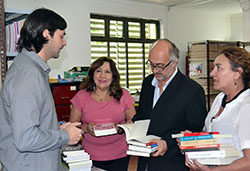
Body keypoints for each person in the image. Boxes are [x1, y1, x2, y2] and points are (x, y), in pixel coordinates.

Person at [0, 8, 83, 171]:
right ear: (46, 34)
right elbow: (25, 138)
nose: (64, 43)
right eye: (61, 36)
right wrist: (65, 136)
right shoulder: (28, 74)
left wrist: (54, 129)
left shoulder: (32, 70)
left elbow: (27, 125)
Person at [132, 39, 207, 171]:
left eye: (160, 66)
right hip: (145, 161)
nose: (155, 70)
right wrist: (130, 127)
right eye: (151, 64)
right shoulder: (148, 83)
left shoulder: (192, 90)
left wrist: (168, 143)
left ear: (174, 62)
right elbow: (143, 116)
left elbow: (194, 131)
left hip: (173, 163)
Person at [186, 47, 250, 170]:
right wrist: (193, 139)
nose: (212, 73)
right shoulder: (220, 99)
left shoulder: (246, 106)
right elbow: (212, 136)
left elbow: (248, 161)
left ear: (237, 74)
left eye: (219, 68)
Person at [69, 57, 136, 171]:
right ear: (92, 74)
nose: (102, 76)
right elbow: (72, 126)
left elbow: (133, 122)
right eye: (98, 71)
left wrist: (121, 128)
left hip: (120, 155)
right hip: (90, 156)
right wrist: (86, 128)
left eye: (107, 72)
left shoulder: (123, 95)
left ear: (113, 76)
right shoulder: (81, 96)